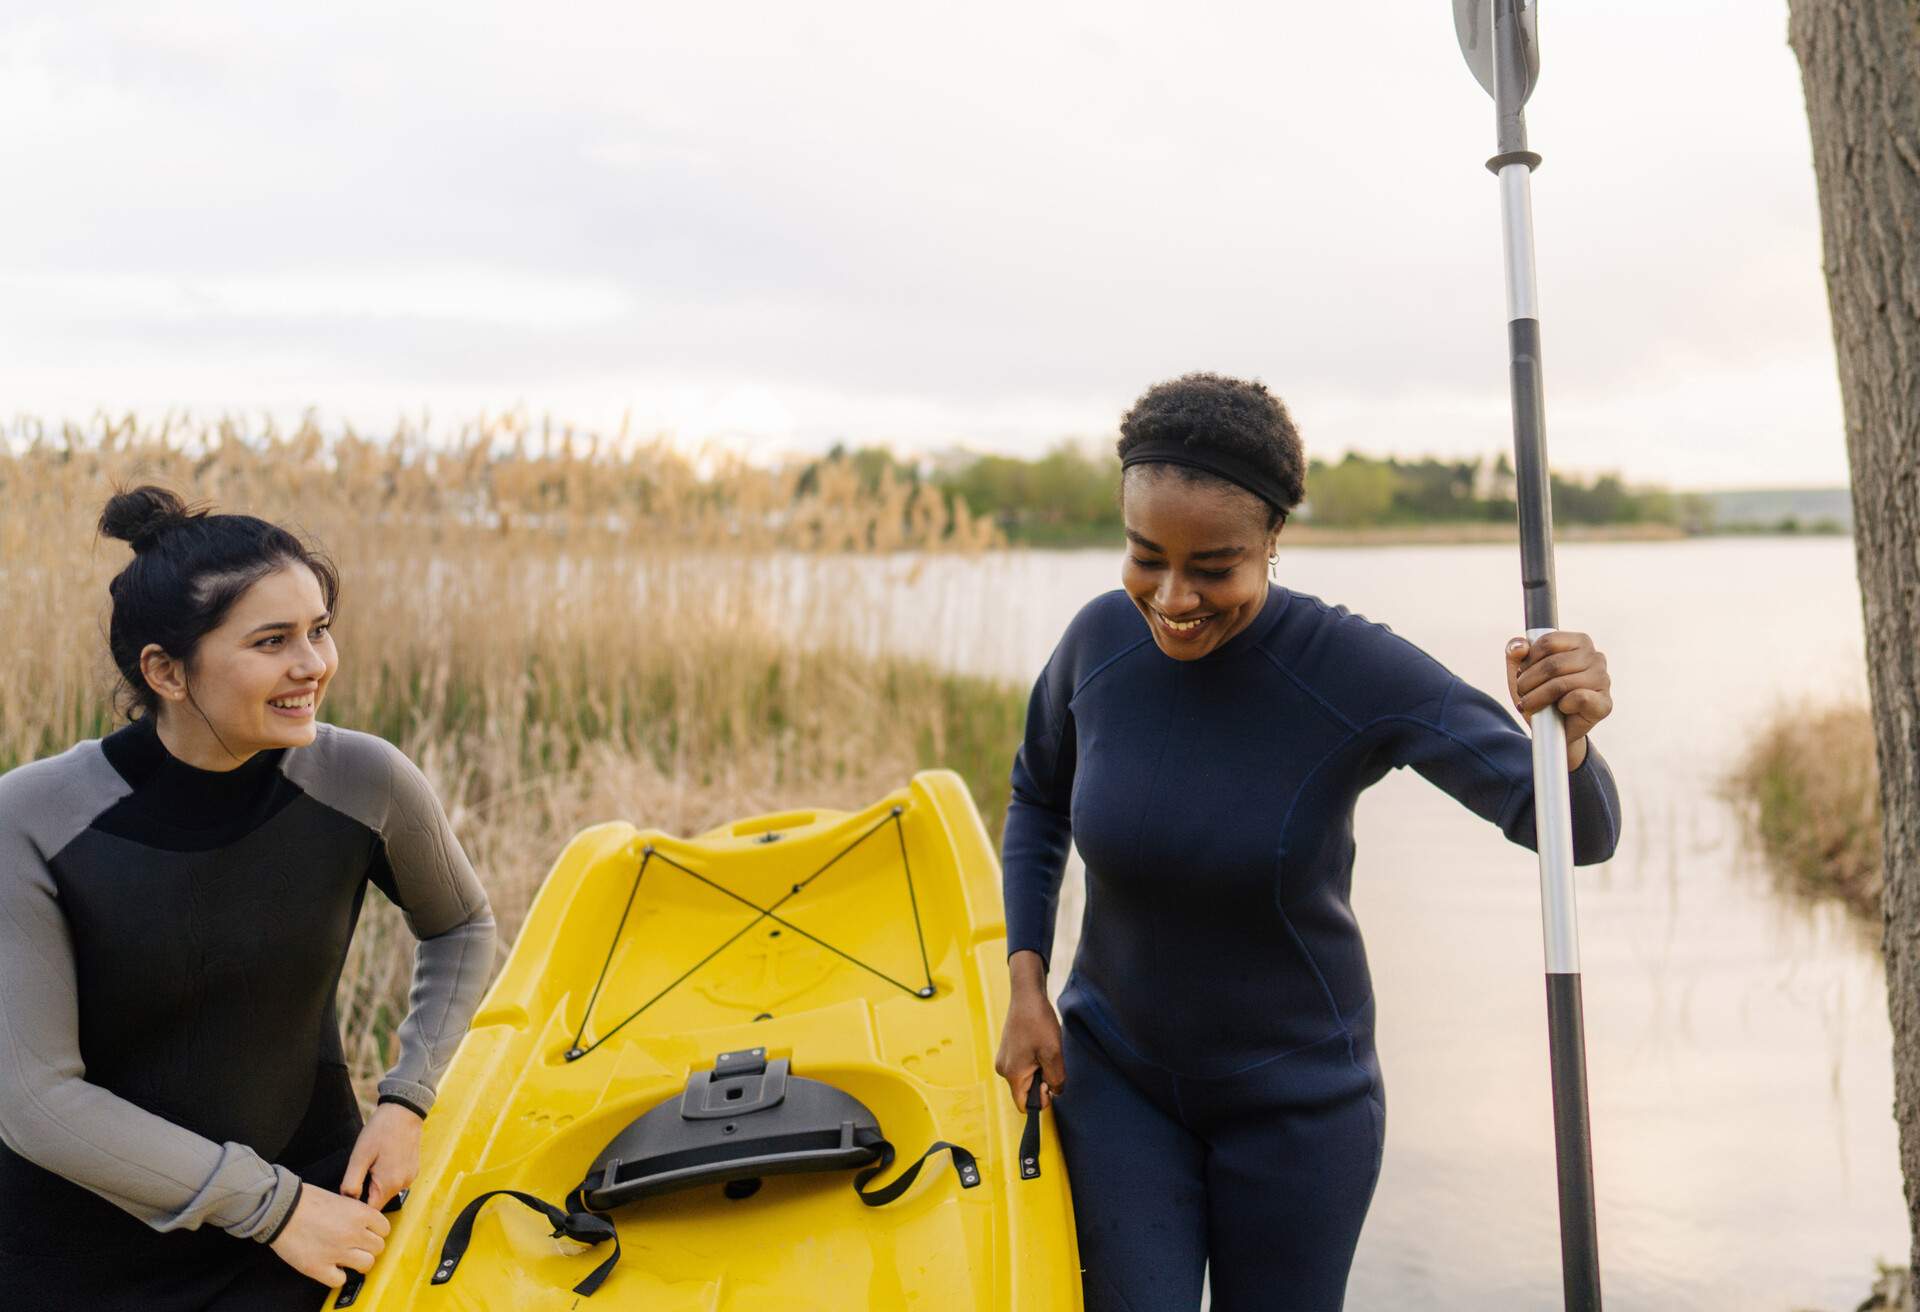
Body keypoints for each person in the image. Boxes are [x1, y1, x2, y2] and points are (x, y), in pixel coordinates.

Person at [993, 373, 1620, 1311]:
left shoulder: (1349, 669)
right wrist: (1025, 983)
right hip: (1116, 1079)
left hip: (1298, 1110)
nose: (1172, 596)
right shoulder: (1096, 644)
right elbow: (1036, 798)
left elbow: (1582, 834)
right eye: (1144, 556)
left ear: (1274, 541)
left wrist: (1567, 737)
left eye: (1214, 566)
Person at [0, 486, 498, 1309]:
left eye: (319, 629)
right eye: (272, 641)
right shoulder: (32, 818)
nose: (314, 665)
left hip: (319, 1230)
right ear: (164, 670)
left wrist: (408, 1100)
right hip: (86, 1257)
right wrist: (273, 1208)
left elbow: (461, 925)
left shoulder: (363, 778)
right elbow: (36, 1103)